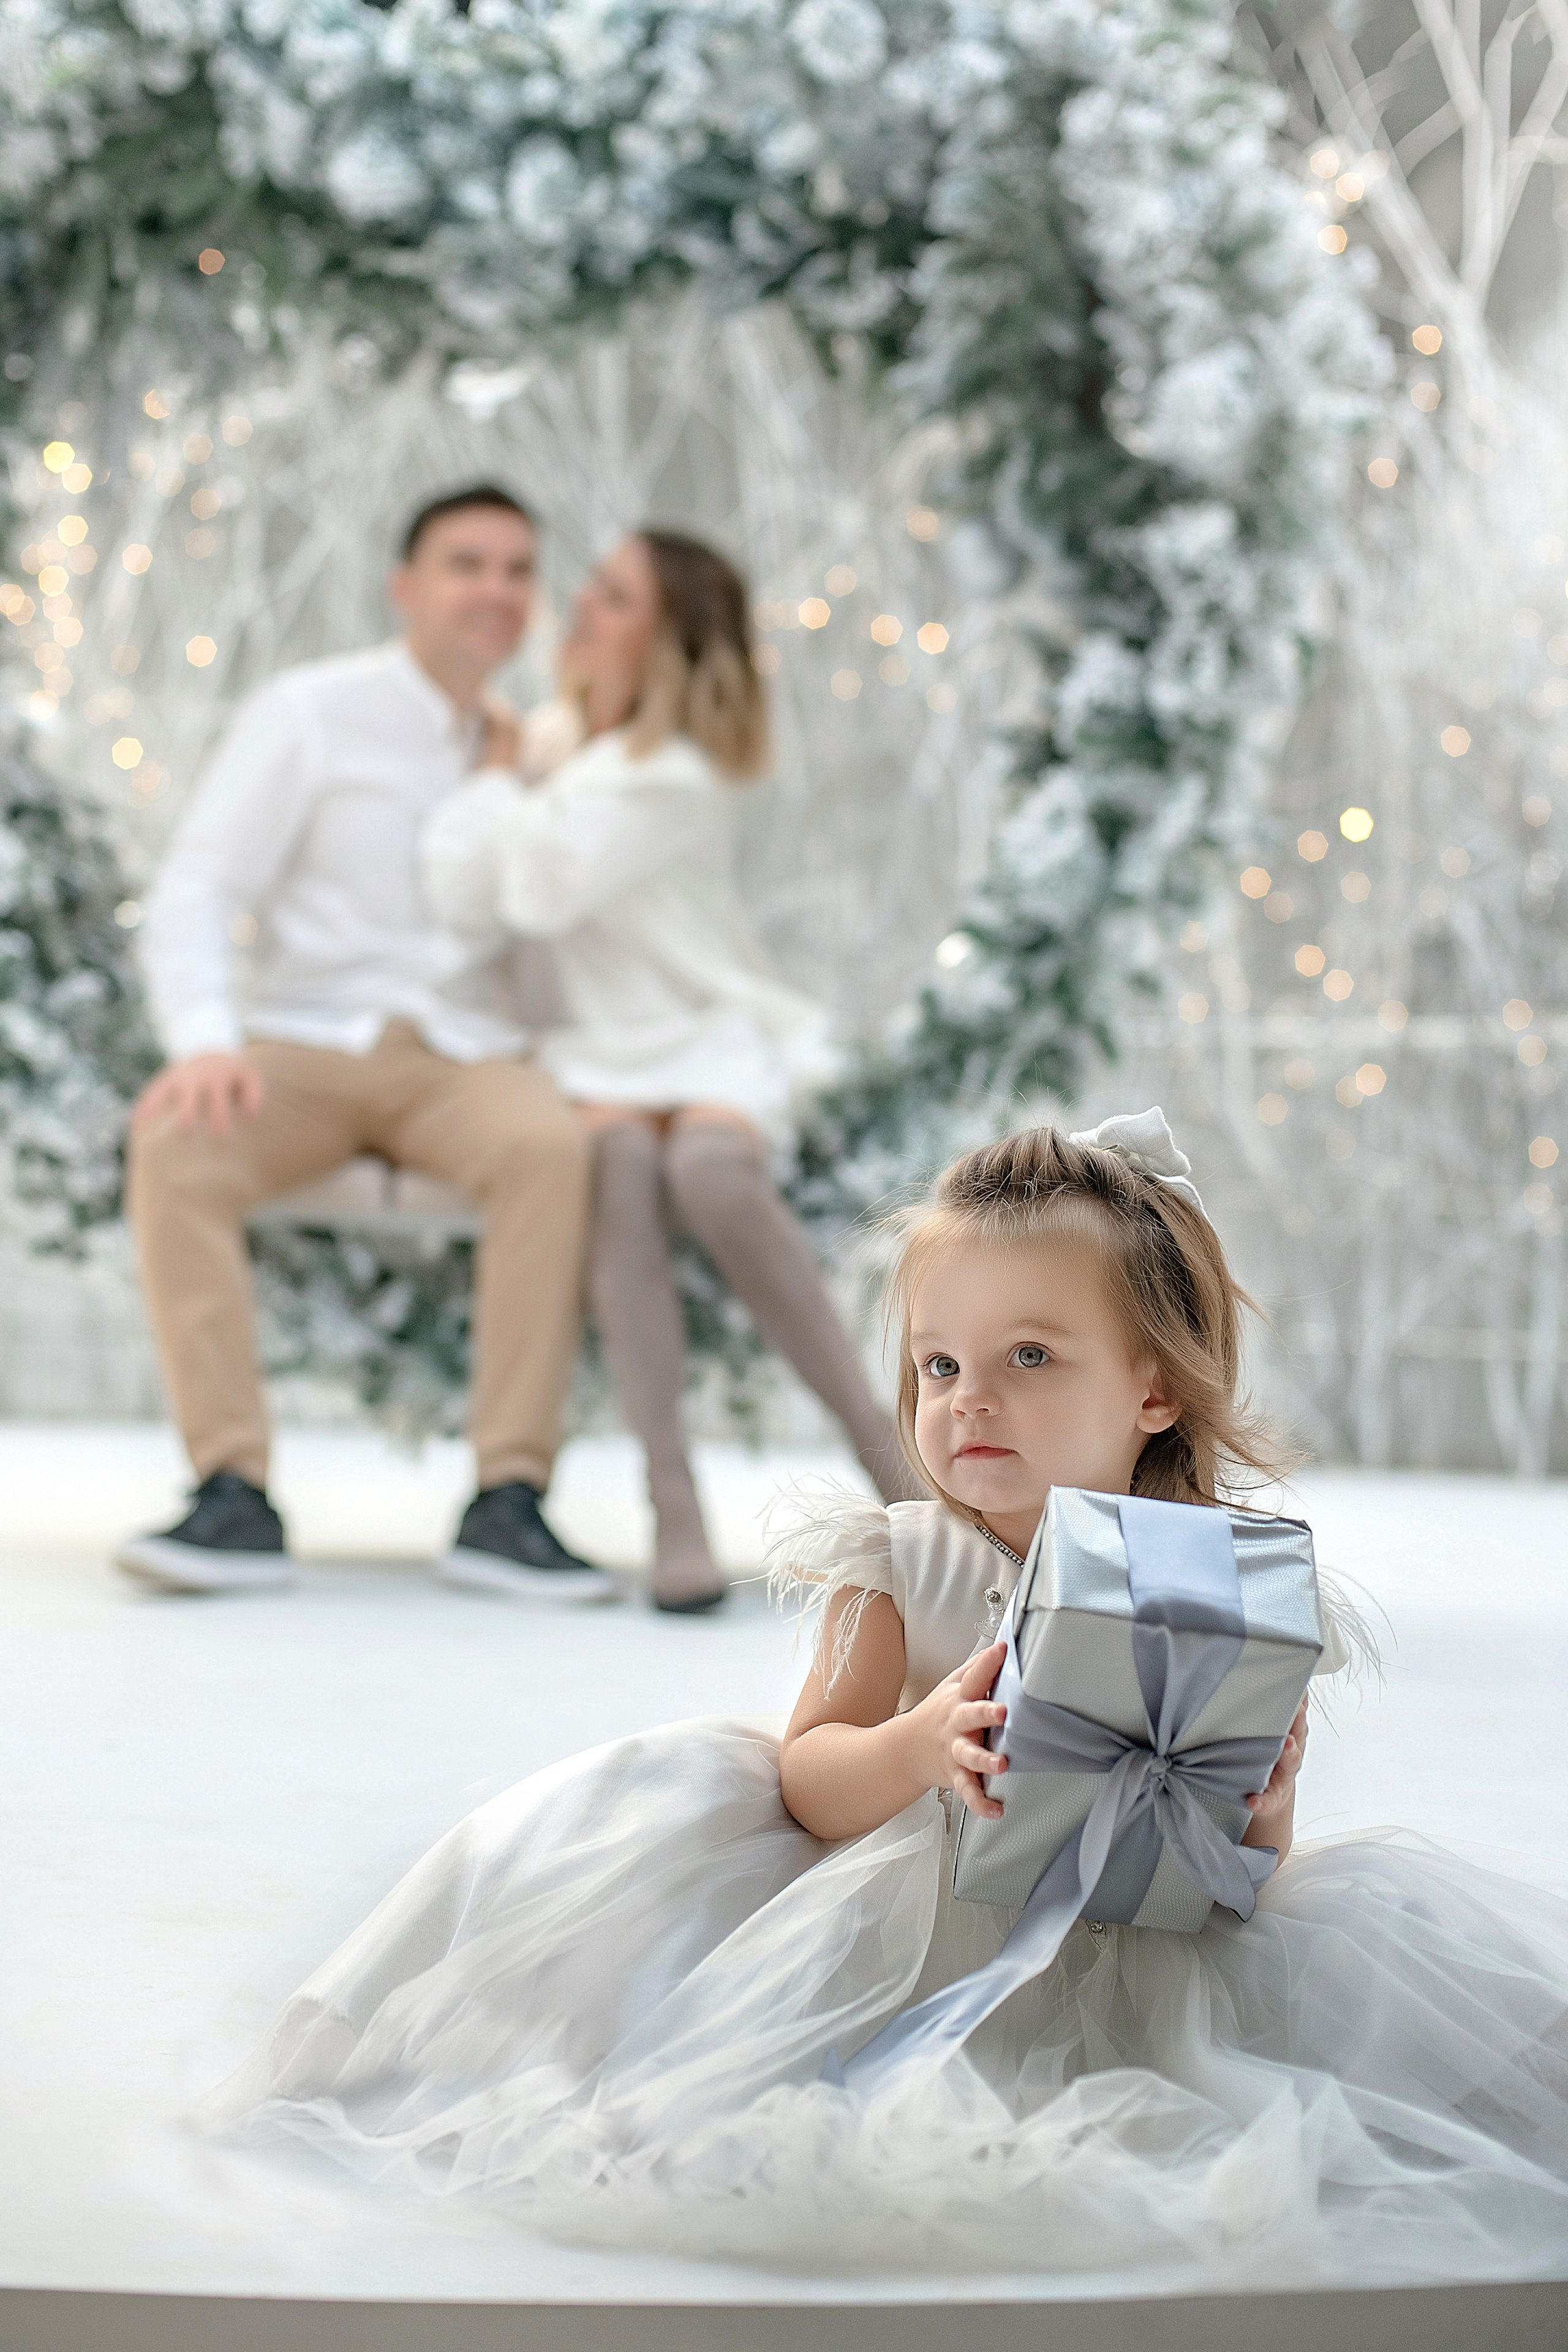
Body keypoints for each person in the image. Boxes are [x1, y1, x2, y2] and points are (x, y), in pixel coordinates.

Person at [209, 1115, 1568, 2284]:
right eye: (937, 1366)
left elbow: (1232, 1874)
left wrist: (1256, 1808)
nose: (969, 1401)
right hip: (904, 1926)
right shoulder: (903, 1560)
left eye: (1029, 1358)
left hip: (1125, 1952)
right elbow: (806, 1780)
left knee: (1263, 2086)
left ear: (1152, 1386)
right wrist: (918, 1746)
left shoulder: (1204, 1585)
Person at [118, 486, 616, 1604]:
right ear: (406, 587)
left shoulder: (534, 747)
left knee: (549, 1147)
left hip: (463, 1055)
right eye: (465, 564)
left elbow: (548, 936)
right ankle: (231, 1490)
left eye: (515, 569)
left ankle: (508, 1499)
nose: (494, 590)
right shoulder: (312, 712)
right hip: (310, 1041)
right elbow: (199, 885)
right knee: (176, 1146)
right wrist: (203, 1039)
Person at [421, 528, 921, 1613]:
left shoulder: (675, 772)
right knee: (619, 1173)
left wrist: (499, 783)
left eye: (614, 597)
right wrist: (514, 785)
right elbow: (470, 893)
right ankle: (673, 1509)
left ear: (666, 637)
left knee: (711, 1175)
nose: (580, 608)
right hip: (589, 1045)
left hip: (693, 1029)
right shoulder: (555, 742)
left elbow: (538, 893)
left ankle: (894, 1466)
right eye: (593, 589)